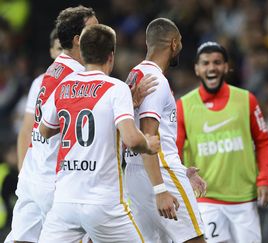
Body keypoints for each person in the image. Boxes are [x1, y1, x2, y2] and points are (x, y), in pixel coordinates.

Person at [38, 23, 160, 243]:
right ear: (111, 56)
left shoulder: (64, 85)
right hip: (104, 204)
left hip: (65, 203)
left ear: (82, 54)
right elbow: (132, 140)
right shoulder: (116, 88)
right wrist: (148, 144)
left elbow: (45, 130)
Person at [5, 6, 98, 243]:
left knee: (22, 238)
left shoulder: (52, 70)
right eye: (94, 29)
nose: (100, 34)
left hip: (34, 172)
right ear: (78, 40)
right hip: (56, 182)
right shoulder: (77, 77)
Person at [176, 41, 268, 243]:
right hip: (206, 199)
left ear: (227, 67)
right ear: (197, 69)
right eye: (206, 63)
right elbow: (174, 152)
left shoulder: (247, 100)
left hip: (244, 198)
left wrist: (265, 179)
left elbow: (263, 141)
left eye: (217, 62)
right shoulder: (184, 106)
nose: (212, 67)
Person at [123, 17, 206, 243]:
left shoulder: (134, 75)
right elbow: (149, 137)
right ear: (174, 43)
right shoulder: (155, 80)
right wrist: (161, 187)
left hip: (134, 174)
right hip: (160, 171)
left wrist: (181, 169)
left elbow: (127, 136)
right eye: (180, 42)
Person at [16, 27, 63, 171]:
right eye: (59, 48)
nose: (64, 55)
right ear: (52, 52)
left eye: (66, 49)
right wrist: (22, 171)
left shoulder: (82, 84)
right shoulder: (39, 82)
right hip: (41, 169)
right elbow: (26, 130)